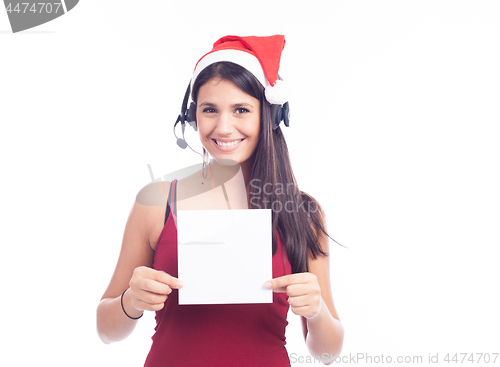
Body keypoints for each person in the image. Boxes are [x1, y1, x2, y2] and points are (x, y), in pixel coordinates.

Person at [96, 35, 344, 366]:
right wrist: (131, 301)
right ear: (193, 116)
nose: (224, 127)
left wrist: (317, 311)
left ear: (268, 116)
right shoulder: (156, 203)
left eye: (241, 110)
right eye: (209, 109)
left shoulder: (303, 213)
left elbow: (328, 353)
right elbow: (106, 331)